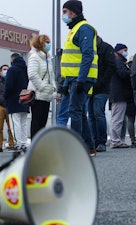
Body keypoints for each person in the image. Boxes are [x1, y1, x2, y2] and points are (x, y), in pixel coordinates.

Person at [61, 0, 98, 156]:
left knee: (74, 111)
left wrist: (81, 80)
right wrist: (65, 82)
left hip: (80, 78)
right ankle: (90, 147)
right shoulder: (75, 29)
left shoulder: (84, 29)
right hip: (74, 78)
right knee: (80, 112)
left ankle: (75, 149)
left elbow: (87, 54)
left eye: (65, 11)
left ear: (73, 13)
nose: (63, 15)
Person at [27, 34, 57, 139]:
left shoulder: (47, 58)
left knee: (43, 122)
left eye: (49, 42)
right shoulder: (35, 57)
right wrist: (42, 87)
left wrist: (53, 89)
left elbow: (51, 76)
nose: (49, 44)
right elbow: (32, 74)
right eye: (46, 42)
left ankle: (40, 144)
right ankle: (35, 145)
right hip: (38, 94)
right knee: (37, 121)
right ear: (40, 44)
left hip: (47, 95)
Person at [88, 36, 115, 152]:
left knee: (98, 113)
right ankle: (93, 141)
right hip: (90, 87)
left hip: (102, 88)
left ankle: (101, 141)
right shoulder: (90, 48)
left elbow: (111, 68)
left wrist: (101, 82)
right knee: (91, 115)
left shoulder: (106, 48)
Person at [4, 53, 29, 150]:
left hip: (13, 100)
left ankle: (18, 143)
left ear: (12, 59)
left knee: (15, 123)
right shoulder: (25, 69)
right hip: (25, 99)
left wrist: (5, 96)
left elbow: (9, 86)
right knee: (23, 123)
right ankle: (24, 142)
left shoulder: (12, 69)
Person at [109, 43, 132, 149]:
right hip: (119, 94)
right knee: (117, 119)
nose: (126, 52)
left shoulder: (117, 60)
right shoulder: (118, 61)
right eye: (125, 50)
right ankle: (115, 141)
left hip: (117, 93)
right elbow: (122, 74)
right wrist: (131, 72)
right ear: (119, 51)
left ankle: (116, 140)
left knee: (117, 118)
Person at [0, 65, 15, 151]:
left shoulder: (11, 81)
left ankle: (11, 144)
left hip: (10, 107)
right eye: (4, 69)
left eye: (7, 69)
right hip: (0, 107)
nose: (6, 71)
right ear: (0, 71)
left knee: (11, 128)